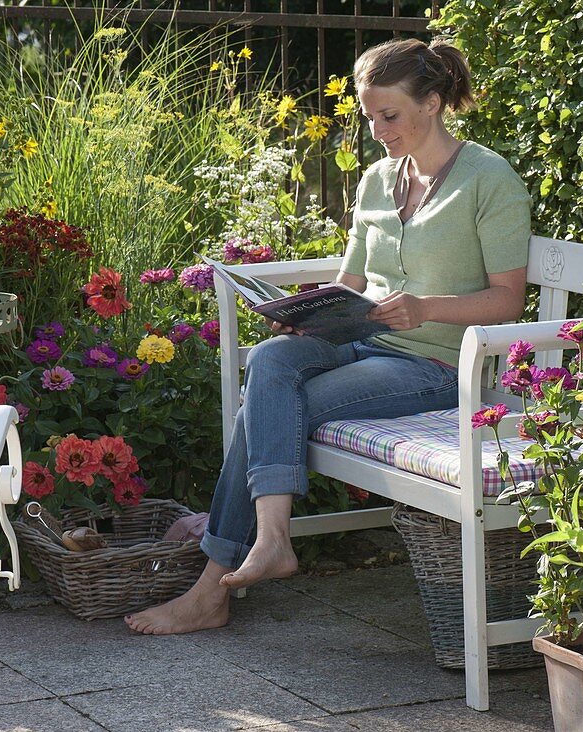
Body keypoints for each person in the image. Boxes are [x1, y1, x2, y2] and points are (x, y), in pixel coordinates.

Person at [125, 37, 531, 635]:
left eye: (388, 115)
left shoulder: (488, 179)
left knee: (271, 408)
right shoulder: (376, 180)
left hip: (436, 366)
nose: (377, 129)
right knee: (271, 359)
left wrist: (423, 309)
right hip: (361, 340)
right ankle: (268, 543)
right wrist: (308, 313)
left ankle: (217, 584)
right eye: (369, 116)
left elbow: (506, 300)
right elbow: (352, 280)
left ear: (434, 103)